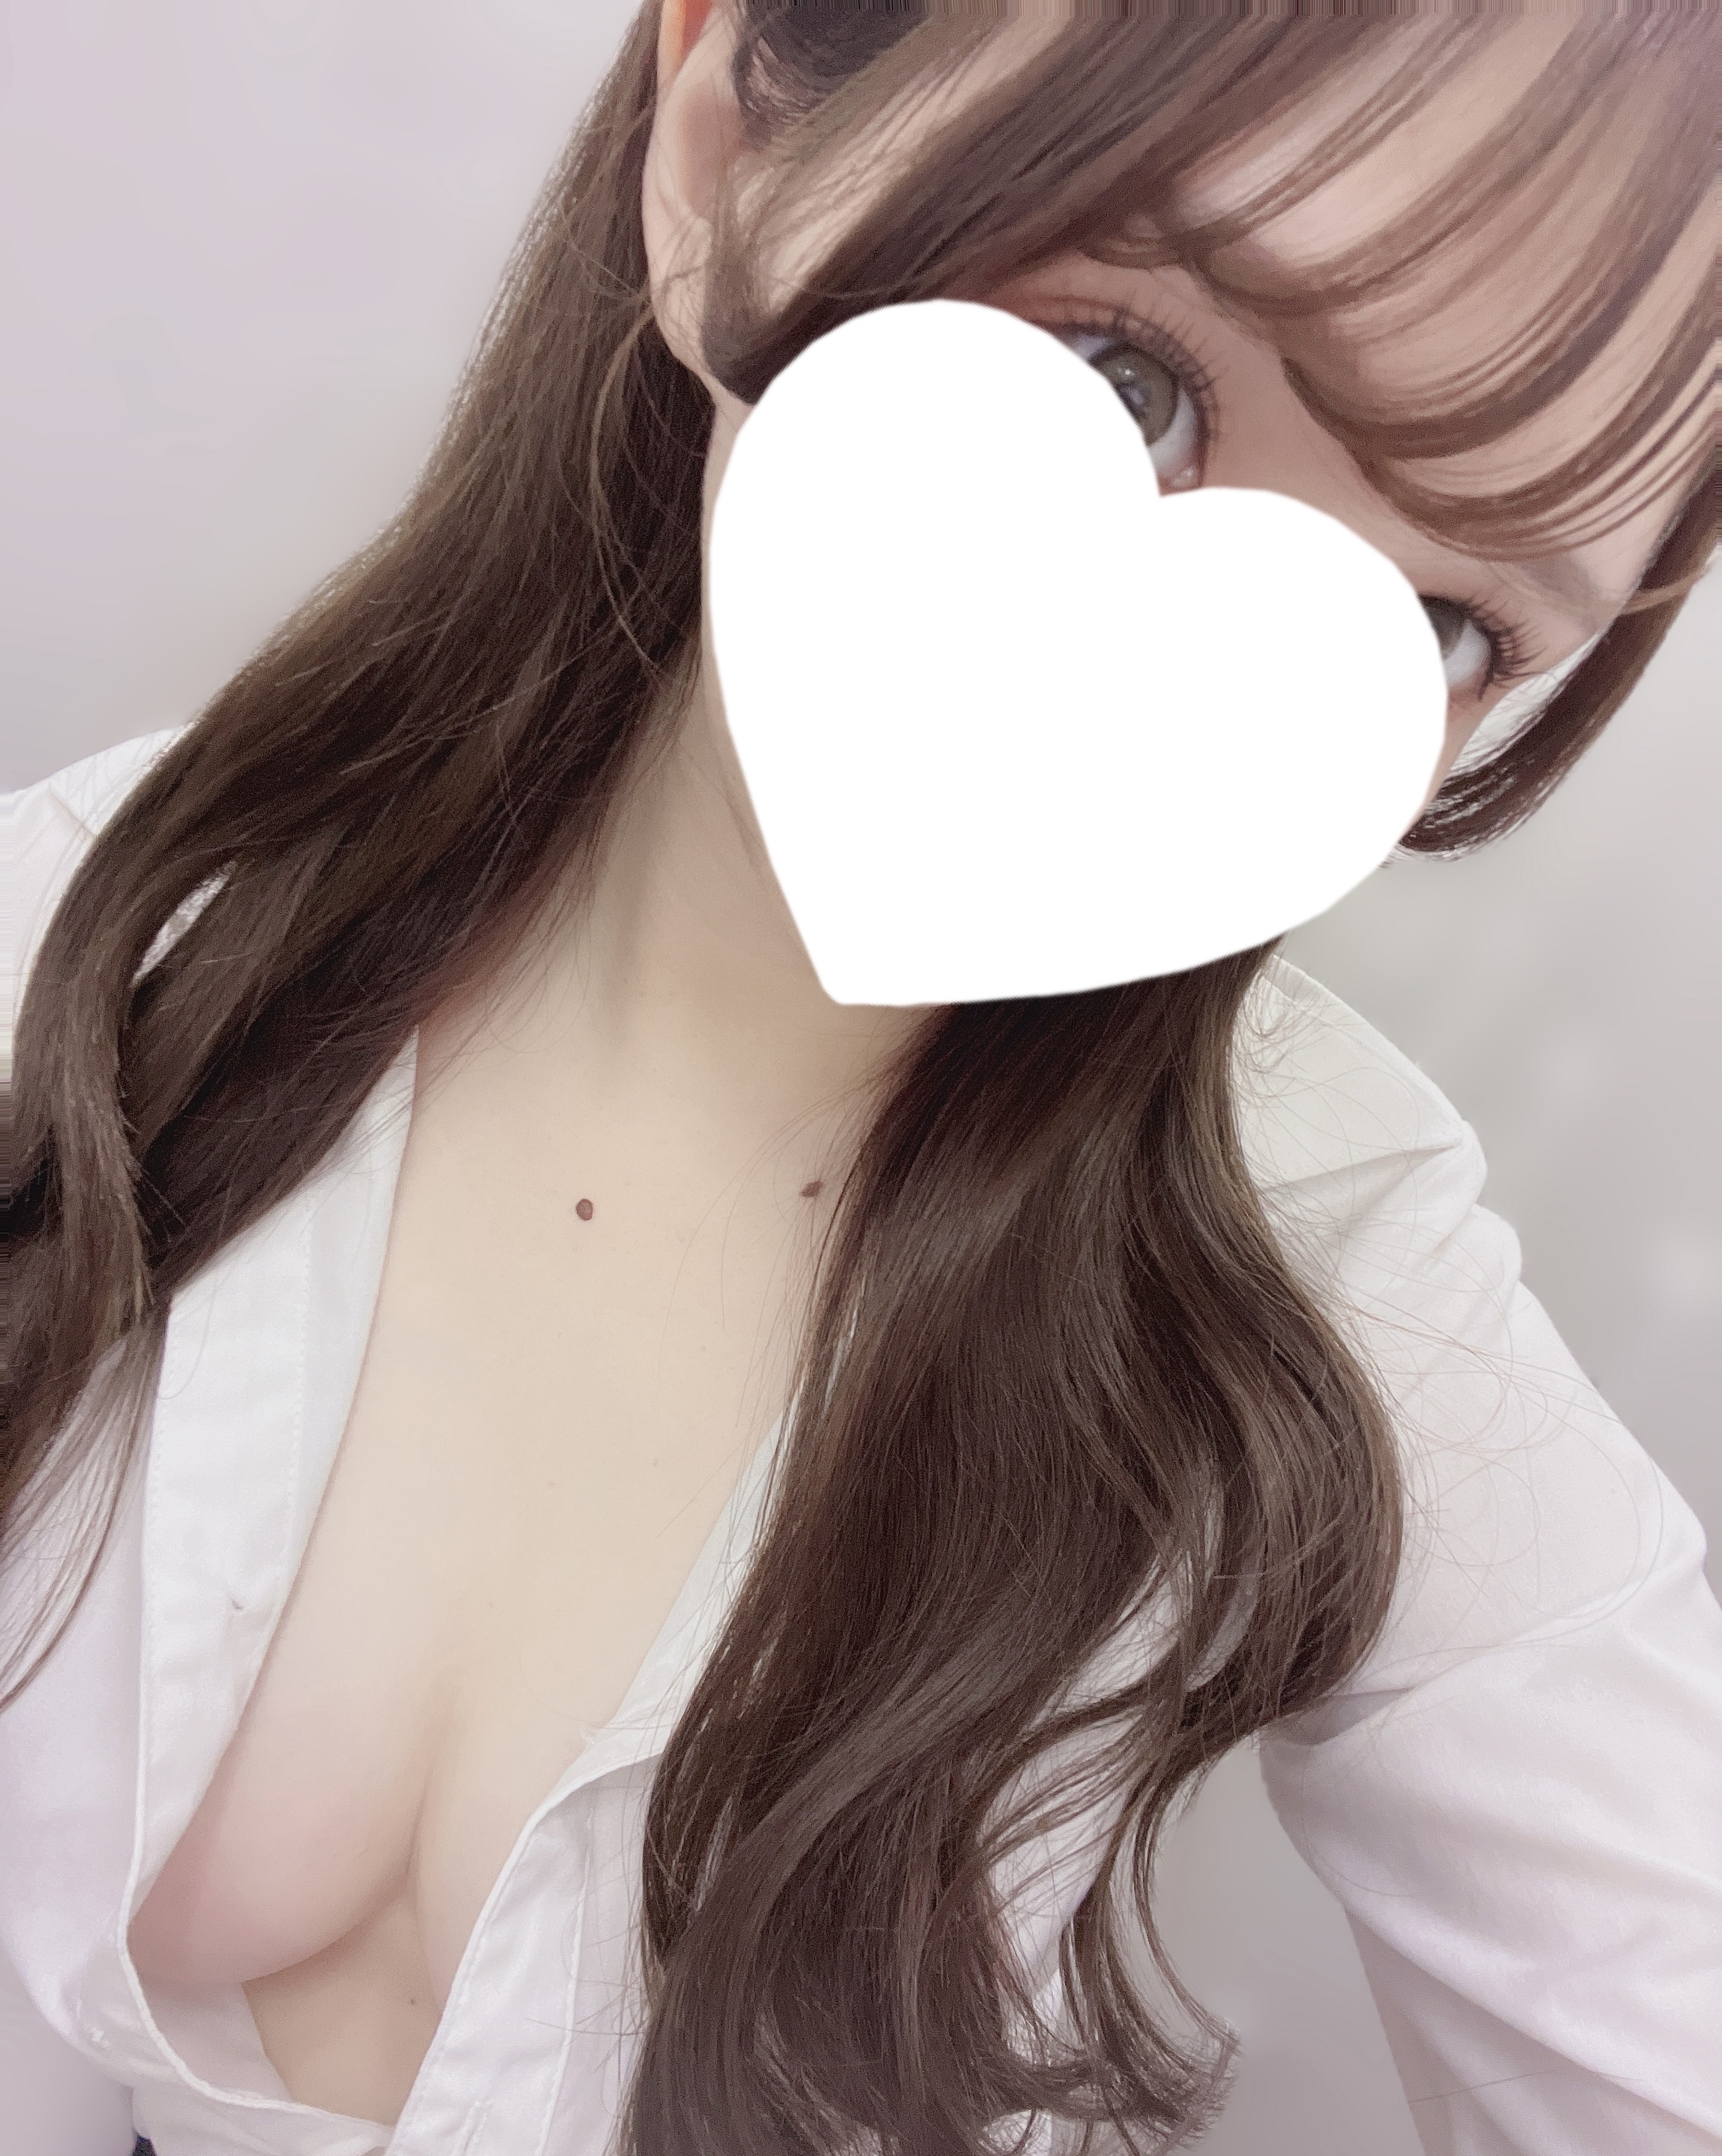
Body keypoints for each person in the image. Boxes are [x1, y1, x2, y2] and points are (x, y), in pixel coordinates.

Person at [4, 5, 1717, 2153]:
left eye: (1449, 624)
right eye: (1126, 377)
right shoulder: (75, 953)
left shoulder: (1331, 1263)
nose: (1191, 696)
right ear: (725, 136)